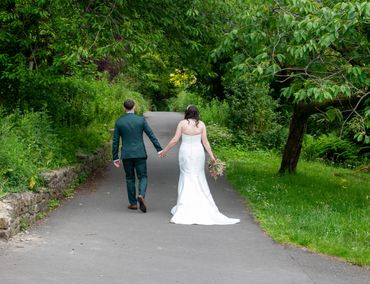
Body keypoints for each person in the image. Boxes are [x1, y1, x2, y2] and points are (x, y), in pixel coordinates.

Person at [160, 105, 240, 225]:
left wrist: (164, 151)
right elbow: (205, 142)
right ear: (197, 113)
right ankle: (200, 205)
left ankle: (184, 206)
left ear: (187, 113)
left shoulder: (182, 124)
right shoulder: (201, 124)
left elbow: (175, 140)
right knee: (198, 176)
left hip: (185, 153)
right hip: (198, 153)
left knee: (186, 176)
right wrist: (212, 156)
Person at [112, 99, 163, 213]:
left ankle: (133, 203)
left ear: (124, 108)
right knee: (143, 177)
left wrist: (115, 157)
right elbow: (151, 134)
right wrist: (159, 149)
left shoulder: (119, 122)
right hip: (140, 153)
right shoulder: (140, 120)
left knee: (130, 178)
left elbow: (115, 140)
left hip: (126, 154)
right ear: (134, 107)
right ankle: (141, 195)